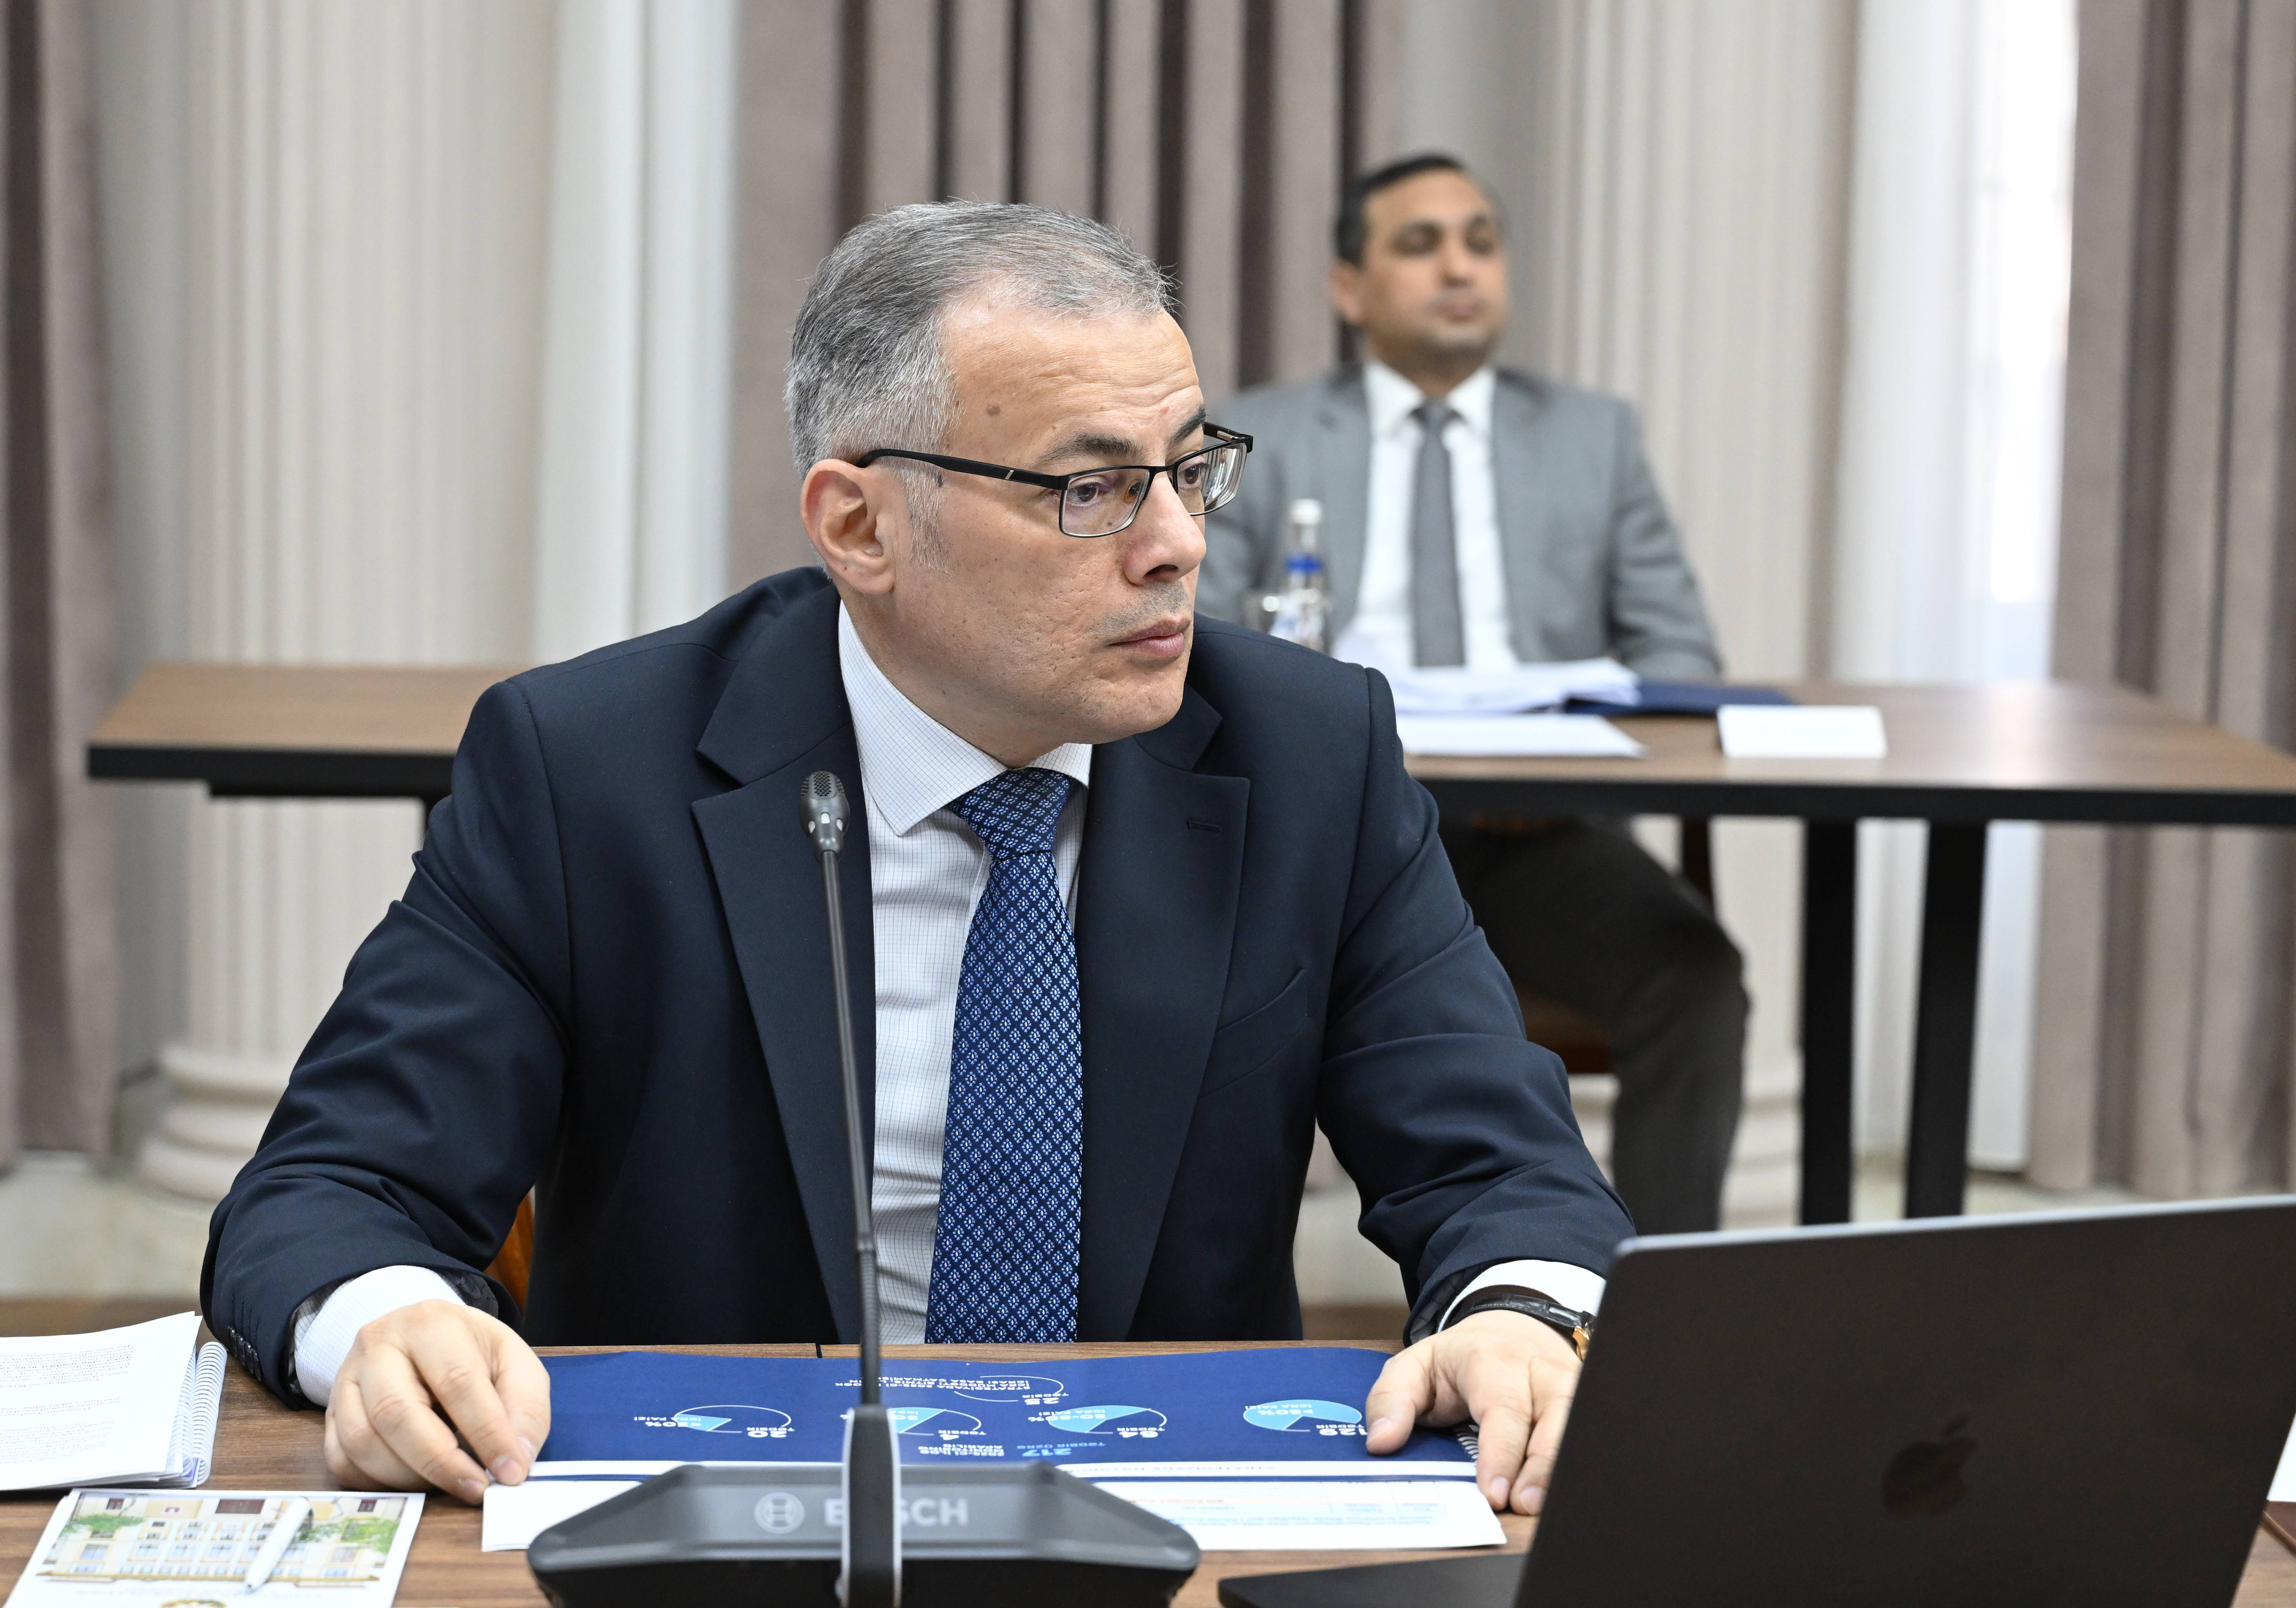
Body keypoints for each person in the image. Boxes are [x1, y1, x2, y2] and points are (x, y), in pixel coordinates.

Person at [202, 202, 1631, 1518]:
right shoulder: (590, 771)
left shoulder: (1309, 755)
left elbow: (1501, 1165)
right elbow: (331, 1190)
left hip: (1166, 1528)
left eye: (1191, 470)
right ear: (860, 525)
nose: (1176, 546)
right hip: (720, 1528)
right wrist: (389, 1321)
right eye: (1091, 489)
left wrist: (1518, 1312)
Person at [1198, 155, 1749, 1237]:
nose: (1460, 267)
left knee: (1696, 977)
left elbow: (1682, 655)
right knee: (1189, 978)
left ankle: (1657, 1303)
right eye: (1421, 244)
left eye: (1481, 242)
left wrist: (1560, 771)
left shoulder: (1593, 438)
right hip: (1319, 839)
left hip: (1540, 842)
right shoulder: (1262, 434)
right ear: (1349, 286)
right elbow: (1201, 649)